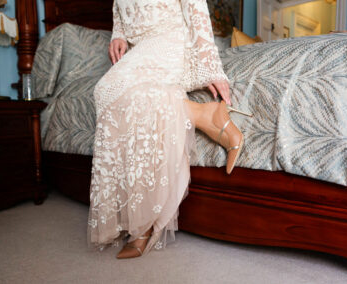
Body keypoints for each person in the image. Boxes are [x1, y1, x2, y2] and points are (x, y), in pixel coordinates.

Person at [88, 0, 251, 259]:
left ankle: (144, 223)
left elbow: (196, 10)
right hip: (139, 48)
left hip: (169, 39)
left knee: (113, 88)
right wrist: (118, 34)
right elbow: (119, 6)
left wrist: (211, 68)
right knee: (107, 91)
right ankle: (204, 115)